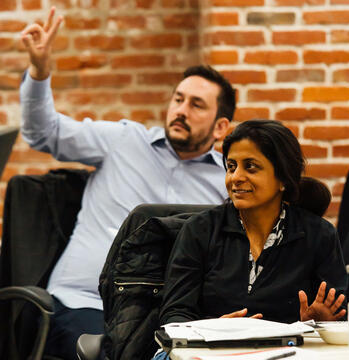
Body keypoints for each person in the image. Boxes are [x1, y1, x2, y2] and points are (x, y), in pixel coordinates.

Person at [19, 7, 236, 360]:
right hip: (85, 303)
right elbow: (45, 133)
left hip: (171, 318)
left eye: (197, 105)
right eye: (178, 99)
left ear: (221, 127)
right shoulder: (123, 141)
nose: (181, 110)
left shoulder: (227, 183)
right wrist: (40, 72)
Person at [155, 120, 347, 358]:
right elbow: (174, 314)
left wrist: (319, 324)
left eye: (251, 167)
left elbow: (340, 317)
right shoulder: (200, 230)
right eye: (231, 166)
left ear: (283, 179)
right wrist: (212, 329)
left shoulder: (319, 235)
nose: (236, 177)